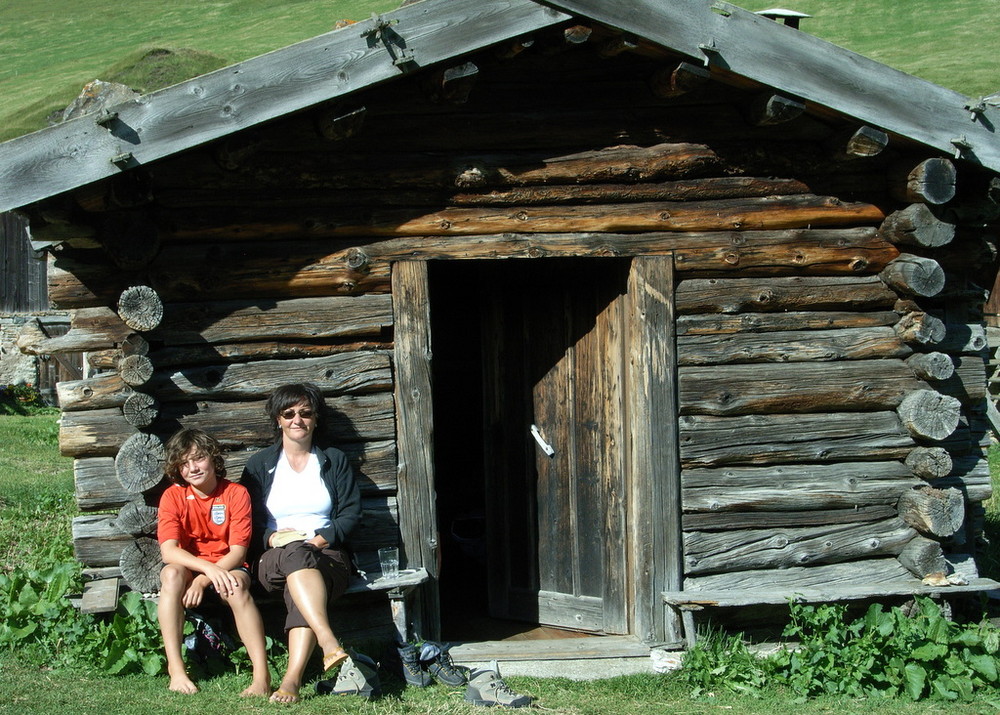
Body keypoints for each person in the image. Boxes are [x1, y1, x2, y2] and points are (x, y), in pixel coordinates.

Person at [241, 382, 362, 704]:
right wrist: (270, 537)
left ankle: (291, 681)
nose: (298, 419)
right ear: (277, 419)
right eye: (289, 413)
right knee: (294, 554)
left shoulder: (333, 460)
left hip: (328, 555)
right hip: (273, 557)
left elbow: (351, 513)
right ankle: (327, 641)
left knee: (301, 565)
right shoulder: (259, 465)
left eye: (306, 413)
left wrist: (319, 541)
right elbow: (246, 520)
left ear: (316, 419)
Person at [156, 428, 271, 697]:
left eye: (198, 458)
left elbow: (238, 552)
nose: (193, 468)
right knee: (171, 575)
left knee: (236, 587)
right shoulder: (173, 497)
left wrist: (206, 578)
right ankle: (177, 670)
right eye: (184, 463)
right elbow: (169, 552)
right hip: (190, 569)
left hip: (228, 566)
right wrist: (205, 570)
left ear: (213, 458)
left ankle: (261, 677)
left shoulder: (235, 493)